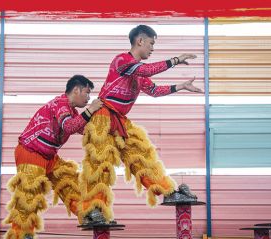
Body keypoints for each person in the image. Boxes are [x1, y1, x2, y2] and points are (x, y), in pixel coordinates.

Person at [78, 25, 203, 225]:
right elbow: (147, 69)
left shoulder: (138, 73)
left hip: (120, 120)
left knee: (142, 157)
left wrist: (180, 86)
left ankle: (168, 191)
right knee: (100, 165)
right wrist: (176, 60)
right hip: (103, 115)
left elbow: (153, 90)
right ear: (140, 41)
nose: (152, 48)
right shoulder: (122, 61)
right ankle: (92, 211)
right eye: (151, 43)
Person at [4, 75, 103, 239]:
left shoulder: (71, 111)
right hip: (30, 152)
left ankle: (87, 212)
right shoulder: (60, 104)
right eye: (87, 93)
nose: (89, 99)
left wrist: (104, 125)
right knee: (29, 195)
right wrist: (91, 110)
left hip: (49, 156)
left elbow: (83, 128)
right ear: (76, 90)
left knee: (68, 180)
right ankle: (20, 238)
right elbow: (70, 127)